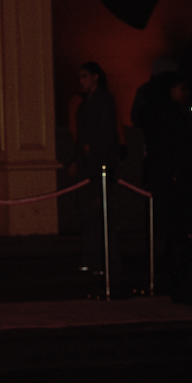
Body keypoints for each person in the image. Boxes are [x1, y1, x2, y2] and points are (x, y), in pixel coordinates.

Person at [139, 71, 192, 305]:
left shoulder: (181, 113)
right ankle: (183, 286)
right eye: (180, 88)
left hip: (187, 179)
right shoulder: (161, 114)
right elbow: (168, 148)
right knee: (178, 235)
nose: (184, 93)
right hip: (174, 181)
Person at [68, 61, 122, 276]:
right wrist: (77, 159)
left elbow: (108, 133)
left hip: (99, 165)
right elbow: (83, 135)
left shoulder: (103, 99)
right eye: (80, 77)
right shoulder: (86, 101)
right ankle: (92, 259)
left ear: (95, 76)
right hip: (88, 164)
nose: (82, 81)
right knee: (89, 215)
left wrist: (95, 150)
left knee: (101, 215)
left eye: (85, 76)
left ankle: (106, 261)